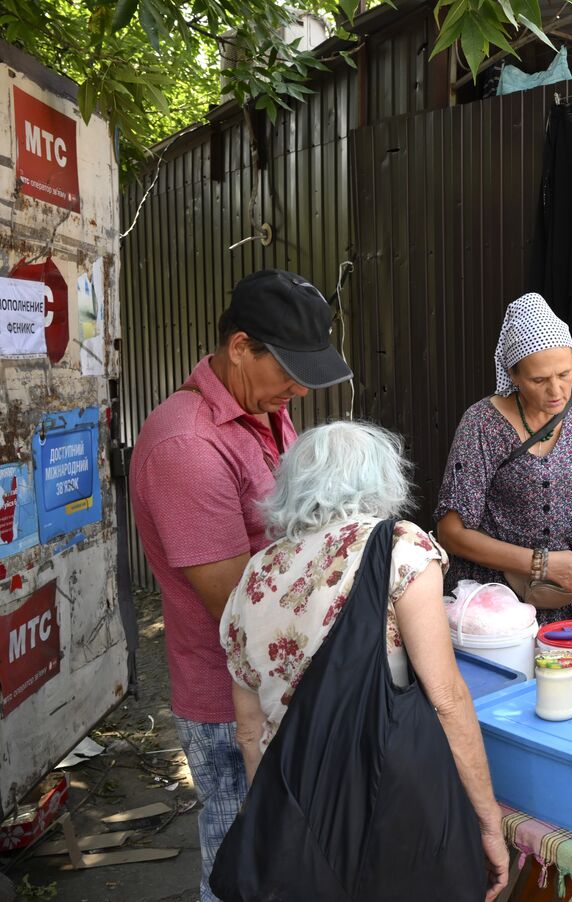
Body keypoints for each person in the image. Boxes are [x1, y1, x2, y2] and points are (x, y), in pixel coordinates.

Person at [130, 270, 351, 901]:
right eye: (288, 369)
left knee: (285, 863)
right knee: (241, 874)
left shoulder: (259, 409)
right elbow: (238, 610)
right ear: (239, 347)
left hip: (279, 681)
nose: (299, 389)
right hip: (232, 702)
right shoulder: (187, 447)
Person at [220, 422, 509, 899]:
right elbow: (448, 699)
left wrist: (281, 827)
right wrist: (488, 821)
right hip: (389, 803)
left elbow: (249, 733)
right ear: (383, 479)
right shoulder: (398, 547)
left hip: (300, 818)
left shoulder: (256, 573)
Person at [435, 293, 572, 623]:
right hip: (495, 608)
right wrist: (543, 563)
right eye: (538, 380)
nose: (556, 391)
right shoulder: (482, 424)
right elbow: (451, 533)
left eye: (565, 374)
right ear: (512, 374)